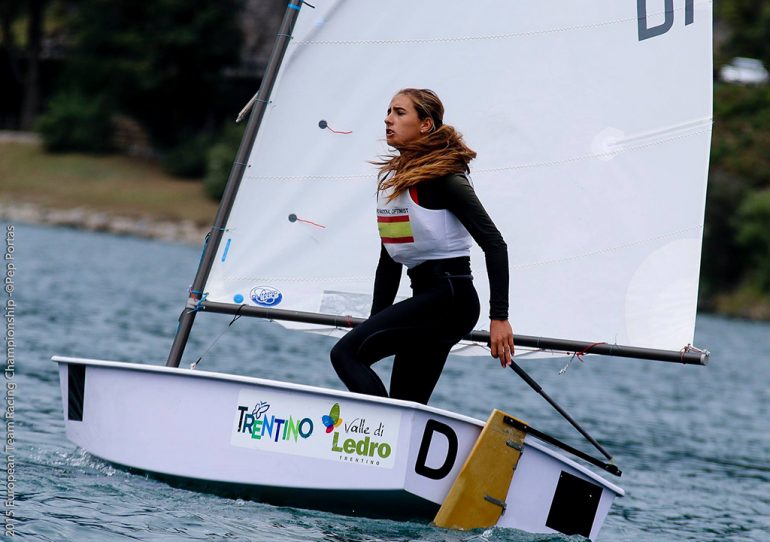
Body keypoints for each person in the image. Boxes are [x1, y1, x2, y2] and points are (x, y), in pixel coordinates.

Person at [330, 88, 514, 405]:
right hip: (430, 299)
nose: (388, 119)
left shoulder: (446, 179)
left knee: (345, 354)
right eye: (388, 112)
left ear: (425, 124)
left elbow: (495, 244)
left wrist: (499, 318)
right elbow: (389, 261)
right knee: (406, 401)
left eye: (400, 112)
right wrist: (376, 320)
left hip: (450, 299)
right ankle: (396, 449)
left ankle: (382, 431)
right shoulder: (395, 181)